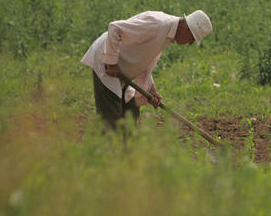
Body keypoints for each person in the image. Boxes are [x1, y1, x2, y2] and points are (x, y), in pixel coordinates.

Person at [81, 10, 212, 130]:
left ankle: (127, 153)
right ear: (187, 30)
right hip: (105, 63)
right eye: (192, 40)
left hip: (123, 71)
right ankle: (112, 153)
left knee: (130, 118)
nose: (189, 44)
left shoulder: (167, 35)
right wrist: (111, 62)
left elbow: (143, 59)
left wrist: (150, 89)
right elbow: (115, 28)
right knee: (112, 121)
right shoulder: (157, 24)